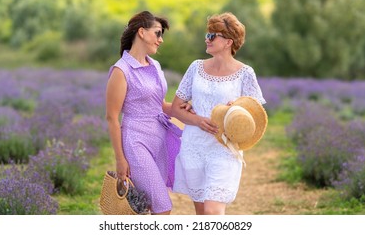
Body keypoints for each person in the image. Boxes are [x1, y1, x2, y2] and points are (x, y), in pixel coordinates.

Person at [171, 12, 266, 215]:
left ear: (228, 42)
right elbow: (176, 108)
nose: (207, 39)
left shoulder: (245, 73)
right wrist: (197, 120)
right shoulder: (195, 68)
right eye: (207, 34)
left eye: (213, 36)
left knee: (213, 211)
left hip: (224, 147)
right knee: (202, 212)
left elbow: (255, 112)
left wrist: (239, 106)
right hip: (193, 146)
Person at [105, 11, 191, 215]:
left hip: (159, 140)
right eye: (158, 33)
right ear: (142, 32)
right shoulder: (121, 70)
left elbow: (160, 105)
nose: (160, 40)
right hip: (136, 142)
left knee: (150, 208)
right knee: (163, 208)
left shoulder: (156, 66)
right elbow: (112, 117)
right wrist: (120, 159)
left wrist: (183, 109)